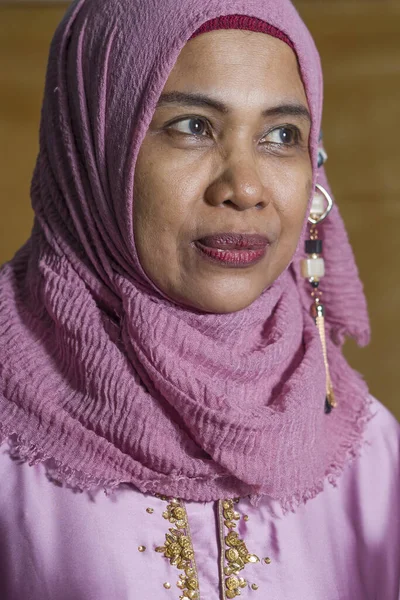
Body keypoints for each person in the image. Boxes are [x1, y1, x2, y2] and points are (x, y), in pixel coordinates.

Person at [0, 0, 399, 598]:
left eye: (281, 135)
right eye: (192, 125)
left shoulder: (364, 452)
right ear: (91, 145)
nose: (243, 187)